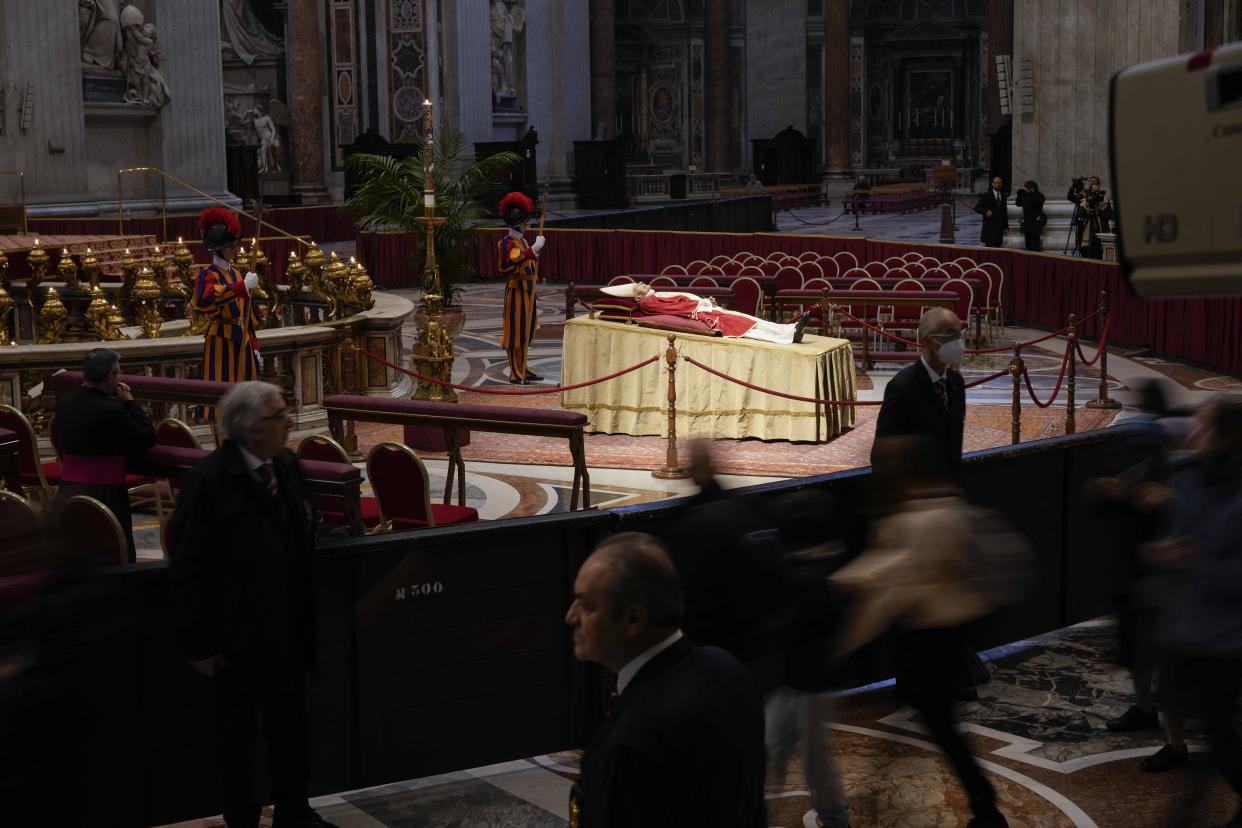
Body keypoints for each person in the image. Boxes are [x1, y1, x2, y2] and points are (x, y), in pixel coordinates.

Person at [168, 381, 336, 828]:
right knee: (236, 738)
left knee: (291, 734)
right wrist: (199, 645)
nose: (288, 423)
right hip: (235, 636)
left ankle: (294, 812)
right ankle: (240, 818)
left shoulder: (285, 464)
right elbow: (187, 569)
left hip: (287, 628)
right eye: (279, 416)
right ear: (249, 428)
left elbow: (302, 533)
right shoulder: (208, 482)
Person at [834, 436, 1009, 828]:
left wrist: (848, 637)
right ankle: (976, 799)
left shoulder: (917, 519)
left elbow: (896, 582)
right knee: (934, 714)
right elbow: (893, 568)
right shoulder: (940, 504)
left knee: (941, 722)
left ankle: (986, 807)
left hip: (935, 634)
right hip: (941, 628)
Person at [566, 532, 767, 827]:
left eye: (587, 606)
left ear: (633, 619)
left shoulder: (627, 744)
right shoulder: (727, 670)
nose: (571, 616)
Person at [1146, 397, 1242, 823]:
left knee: (1221, 734)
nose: (1194, 435)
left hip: (1229, 636)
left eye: (1204, 428)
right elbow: (1182, 533)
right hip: (1187, 628)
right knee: (1208, 728)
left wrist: (1192, 559)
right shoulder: (1189, 477)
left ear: (1228, 437)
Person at [53, 348, 156, 562]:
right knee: (113, 554)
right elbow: (147, 437)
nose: (119, 377)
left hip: (68, 490)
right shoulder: (111, 410)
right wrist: (129, 402)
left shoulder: (63, 405)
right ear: (110, 377)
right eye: (117, 373)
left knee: (76, 551)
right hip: (105, 493)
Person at [872, 307, 966, 479]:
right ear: (927, 341)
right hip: (915, 492)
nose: (958, 343)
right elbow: (882, 453)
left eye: (959, 335)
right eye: (950, 335)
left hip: (948, 489)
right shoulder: (902, 387)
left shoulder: (956, 383)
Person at [193, 207, 261, 418]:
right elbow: (205, 301)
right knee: (222, 400)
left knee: (248, 400)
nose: (235, 249)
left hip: (243, 340)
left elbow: (247, 314)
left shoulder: (238, 273)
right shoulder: (207, 275)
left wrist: (256, 347)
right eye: (230, 246)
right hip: (221, 342)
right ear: (218, 248)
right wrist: (241, 288)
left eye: (235, 245)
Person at [612, 282, 812, 345]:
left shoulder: (652, 296)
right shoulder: (649, 303)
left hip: (703, 308)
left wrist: (703, 302)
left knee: (749, 319)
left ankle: (788, 330)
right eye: (638, 285)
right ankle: (787, 335)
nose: (643, 283)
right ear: (637, 298)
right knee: (744, 326)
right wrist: (702, 305)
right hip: (702, 314)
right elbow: (674, 309)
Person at [497, 191, 544, 384]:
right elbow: (511, 262)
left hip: (527, 292)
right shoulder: (507, 243)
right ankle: (515, 372)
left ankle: (522, 365)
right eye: (525, 223)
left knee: (527, 331)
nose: (527, 226)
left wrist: (531, 250)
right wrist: (532, 250)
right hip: (516, 293)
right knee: (515, 333)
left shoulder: (522, 240)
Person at [1077, 176, 1114, 259]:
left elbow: (1109, 216)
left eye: (1096, 184)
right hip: (1087, 232)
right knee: (1086, 255)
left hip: (1101, 232)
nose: (1095, 185)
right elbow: (1080, 215)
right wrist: (1088, 203)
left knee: (1099, 256)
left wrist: (1098, 208)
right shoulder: (1085, 198)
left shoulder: (1104, 198)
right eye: (1092, 183)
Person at [973, 176, 1008, 248]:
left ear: (1001, 184)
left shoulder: (1004, 196)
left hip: (999, 229)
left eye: (999, 183)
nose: (997, 185)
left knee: (998, 249)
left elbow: (1005, 212)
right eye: (995, 183)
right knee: (989, 250)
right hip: (989, 228)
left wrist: (1006, 227)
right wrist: (985, 211)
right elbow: (976, 208)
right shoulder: (987, 195)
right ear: (992, 184)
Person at [1013, 180, 1046, 251]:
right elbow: (1018, 204)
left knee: (1035, 246)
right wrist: (1019, 195)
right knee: (1028, 246)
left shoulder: (1039, 195)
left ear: (1033, 188)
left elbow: (1035, 204)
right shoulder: (1025, 196)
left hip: (1035, 224)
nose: (1027, 189)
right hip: (1027, 224)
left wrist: (1029, 194)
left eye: (1029, 188)